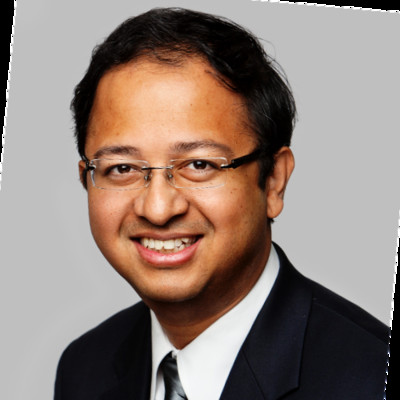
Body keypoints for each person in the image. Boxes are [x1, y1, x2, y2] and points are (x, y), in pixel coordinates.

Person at [54, 7, 389, 400]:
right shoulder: (85, 368)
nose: (158, 209)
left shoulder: (371, 380)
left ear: (274, 181)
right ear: (86, 178)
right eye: (122, 168)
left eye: (199, 165)